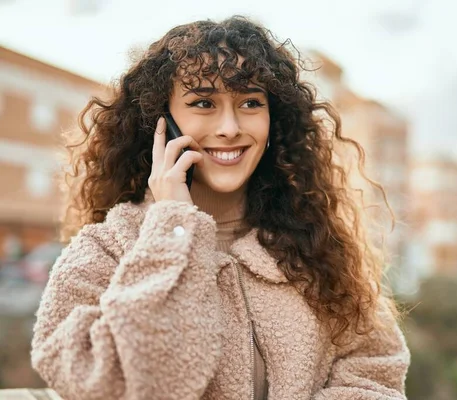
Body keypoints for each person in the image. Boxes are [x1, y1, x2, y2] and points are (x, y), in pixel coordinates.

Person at [30, 16, 410, 400]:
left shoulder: (318, 244)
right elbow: (106, 384)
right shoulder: (106, 248)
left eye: (249, 102)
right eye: (203, 103)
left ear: (272, 120)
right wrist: (172, 229)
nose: (229, 127)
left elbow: (375, 374)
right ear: (162, 122)